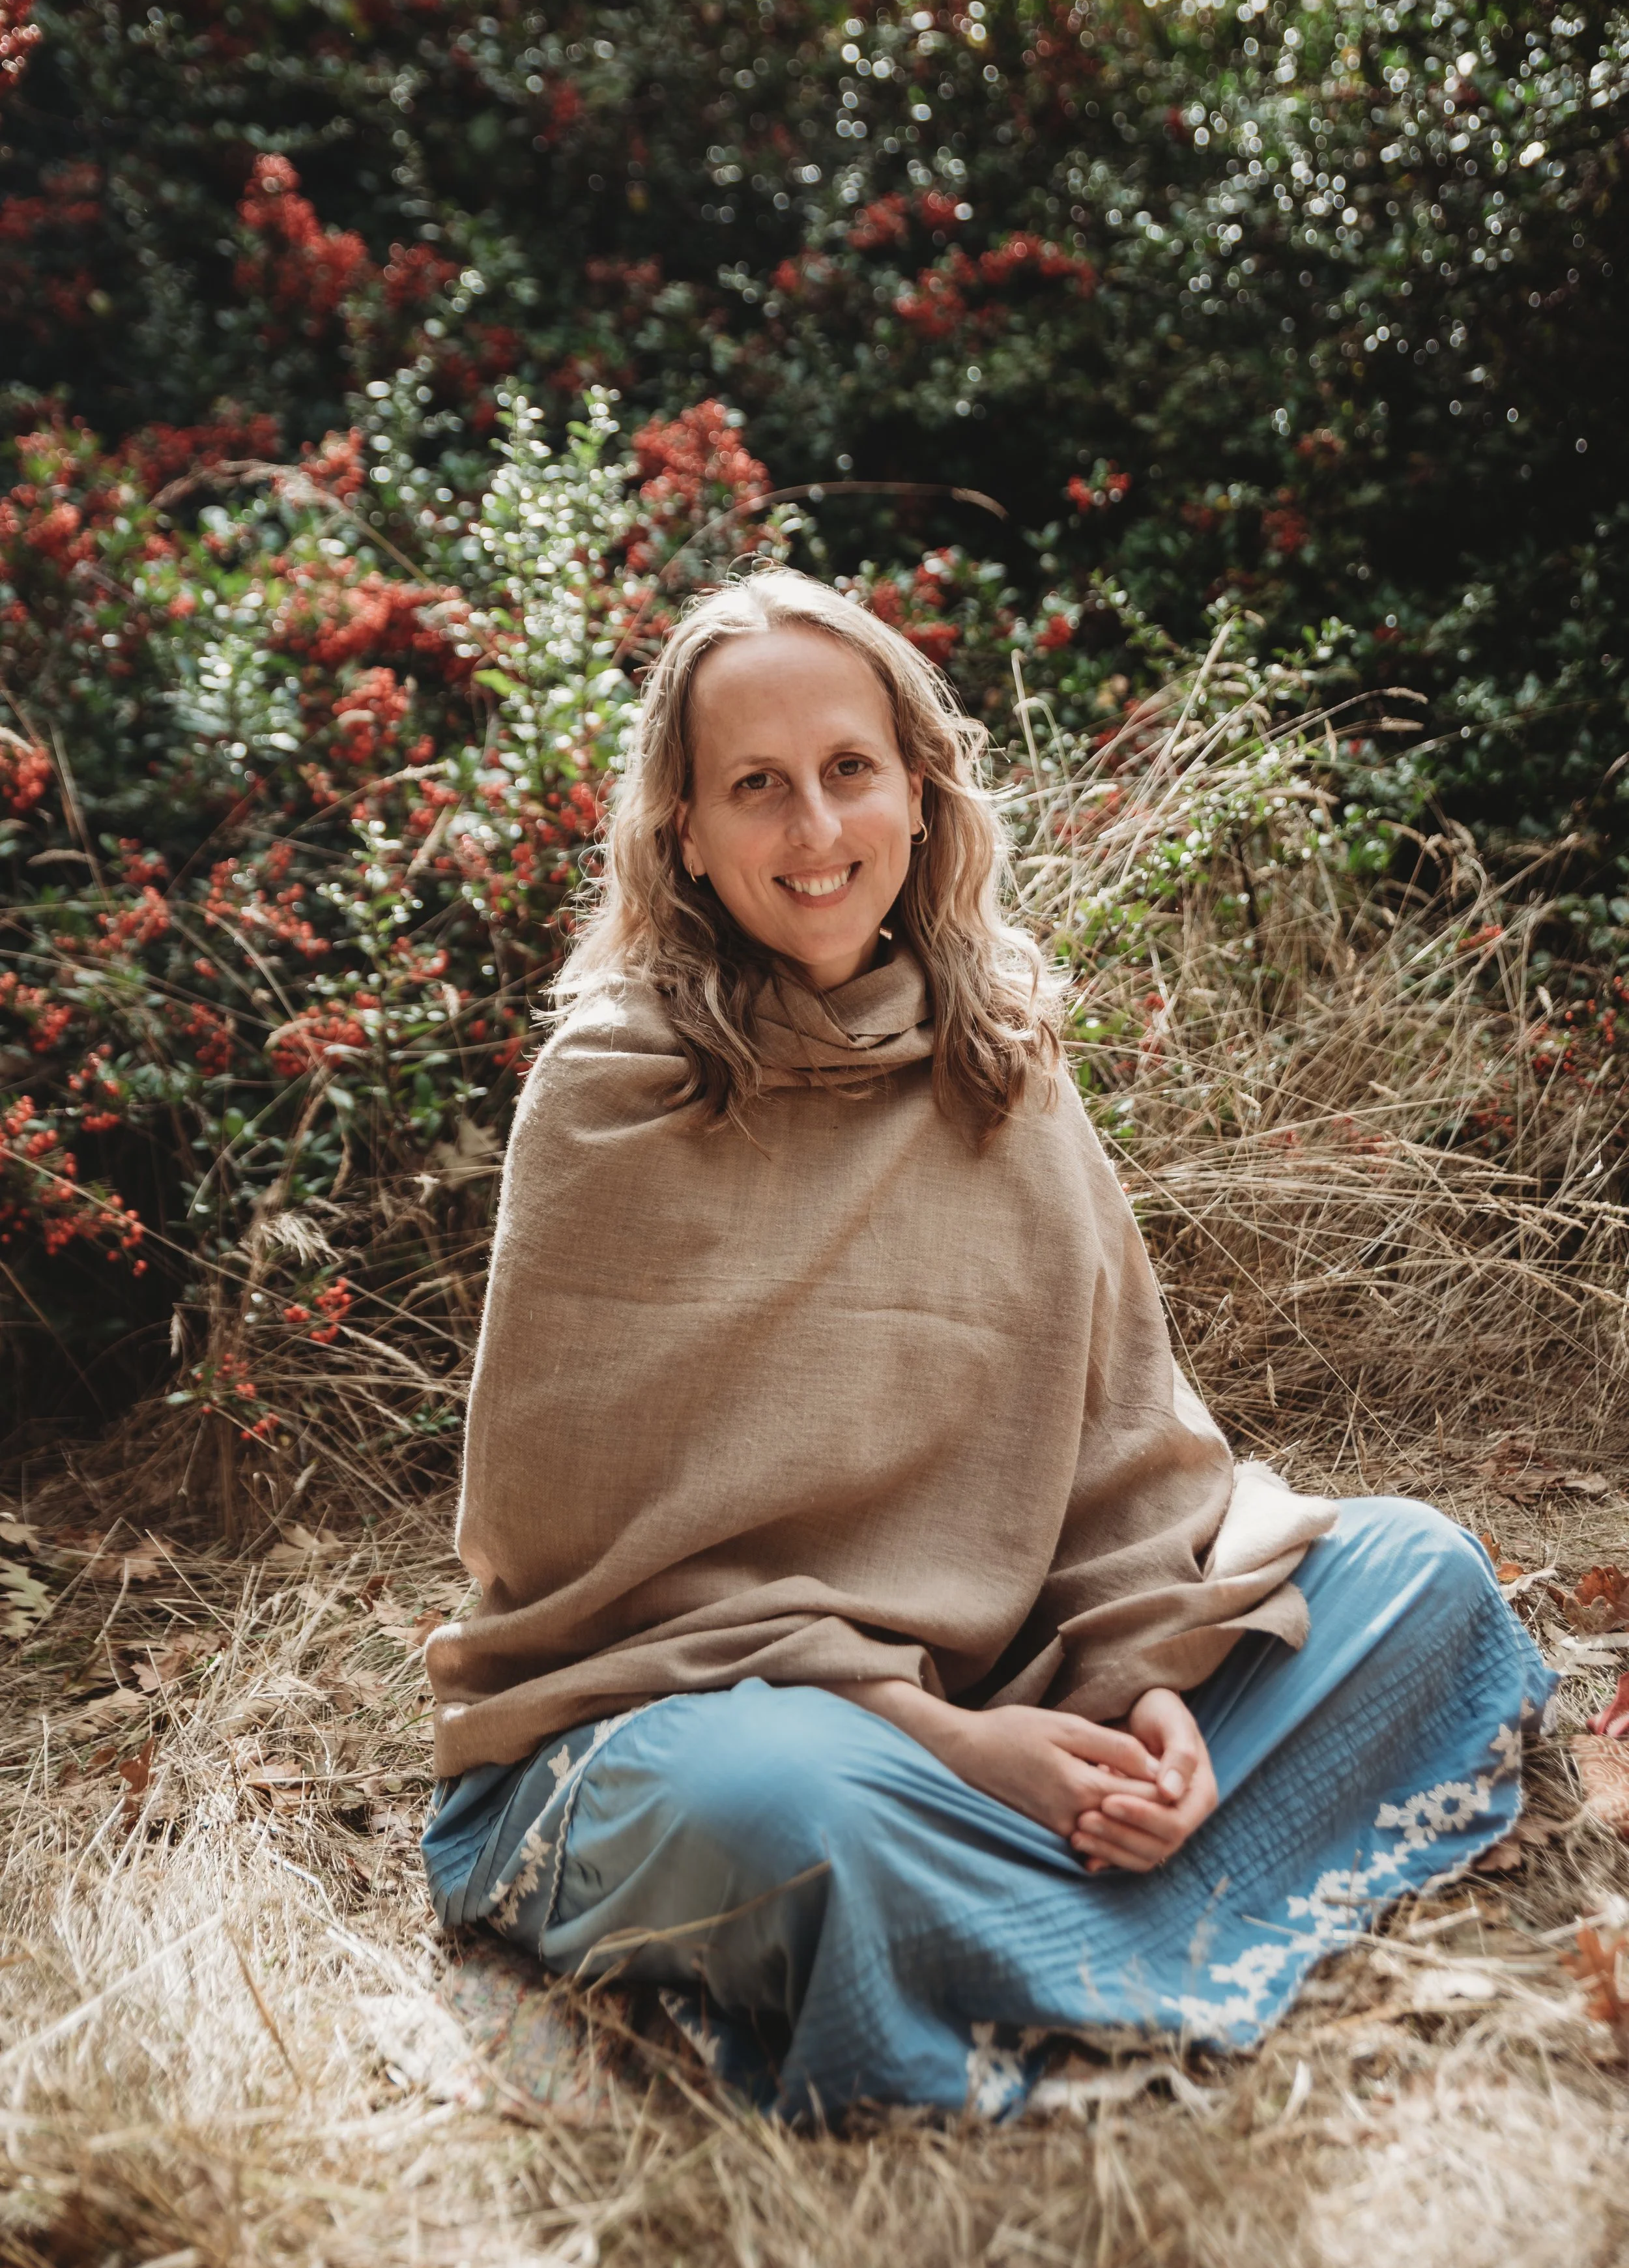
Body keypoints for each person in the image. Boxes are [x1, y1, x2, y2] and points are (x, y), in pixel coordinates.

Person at [422, 569, 1555, 2121]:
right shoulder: (614, 1091)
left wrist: (1143, 1688)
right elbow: (579, 1569)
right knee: (791, 1814)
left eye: (847, 771)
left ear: (916, 788)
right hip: (715, 1719)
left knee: (1414, 1576)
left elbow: (1119, 1456)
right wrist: (950, 1744)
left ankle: (1039, 1921)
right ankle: (1065, 1922)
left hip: (1018, 1682)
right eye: (756, 787)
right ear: (680, 826)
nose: (814, 832)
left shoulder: (997, 1057)